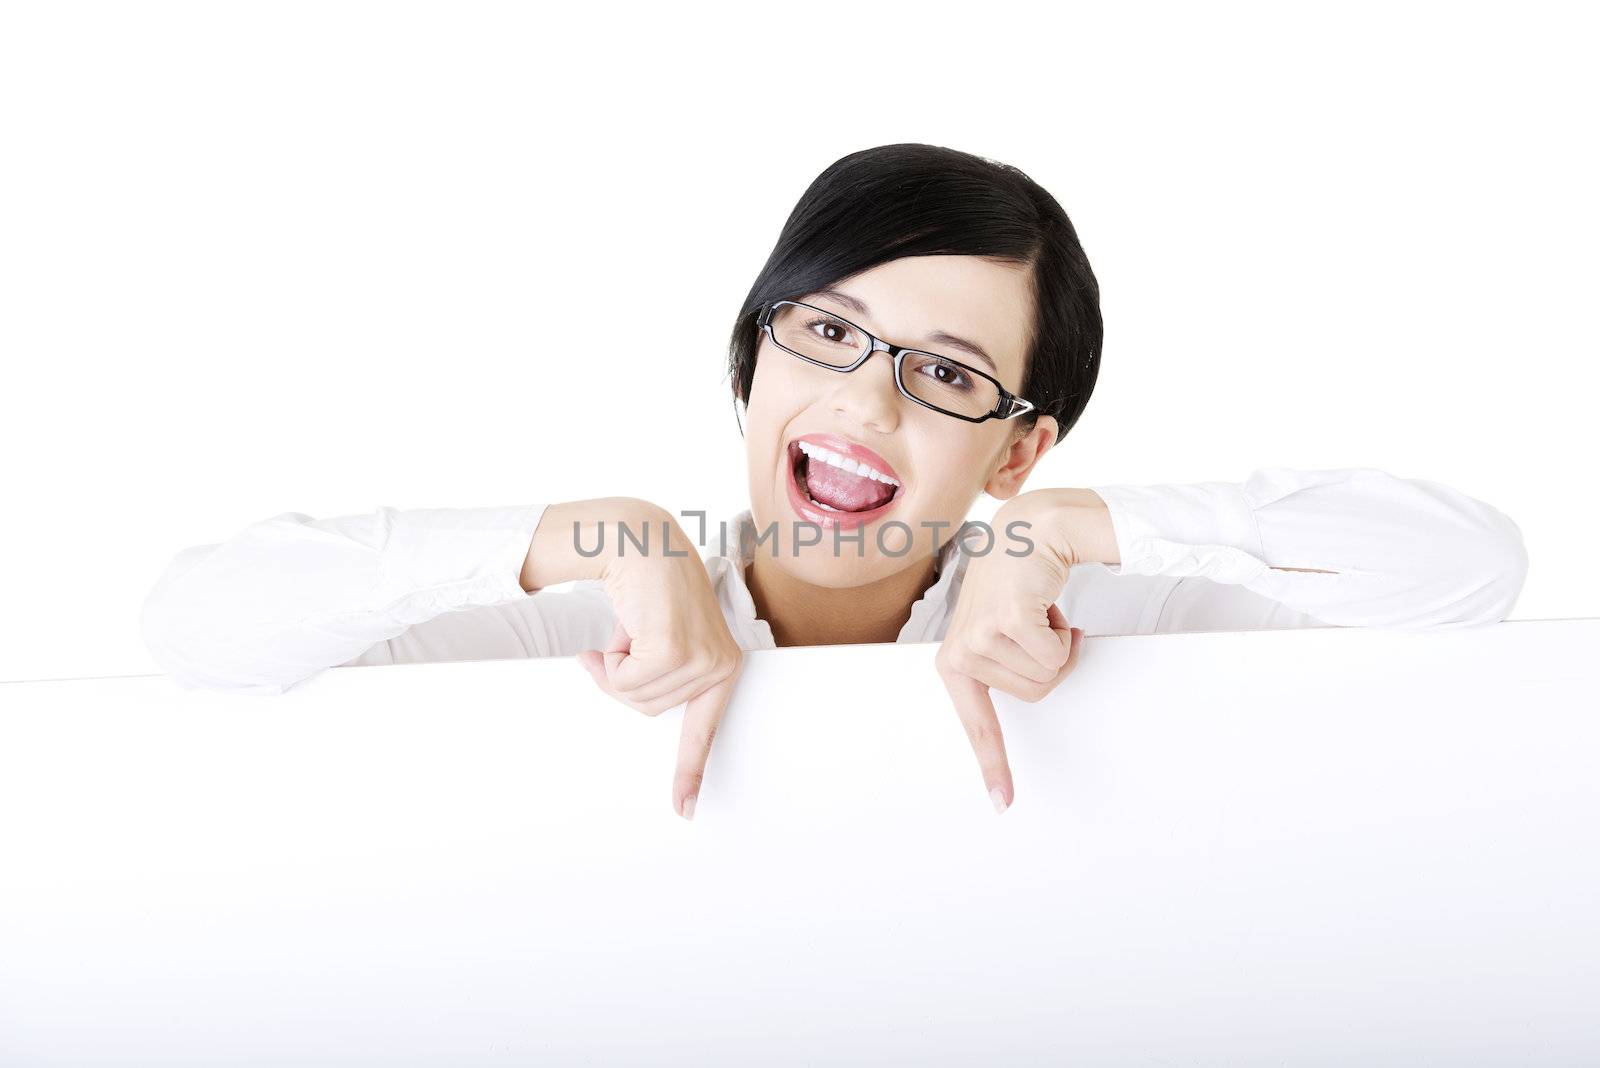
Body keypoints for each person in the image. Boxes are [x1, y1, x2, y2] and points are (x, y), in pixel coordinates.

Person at [139, 143, 1529, 822]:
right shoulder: (560, 618)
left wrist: (1067, 532)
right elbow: (196, 632)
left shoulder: (1121, 624)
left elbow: (1475, 574)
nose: (864, 400)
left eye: (948, 373)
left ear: (1020, 443)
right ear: (757, 354)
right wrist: (594, 534)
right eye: (830, 333)